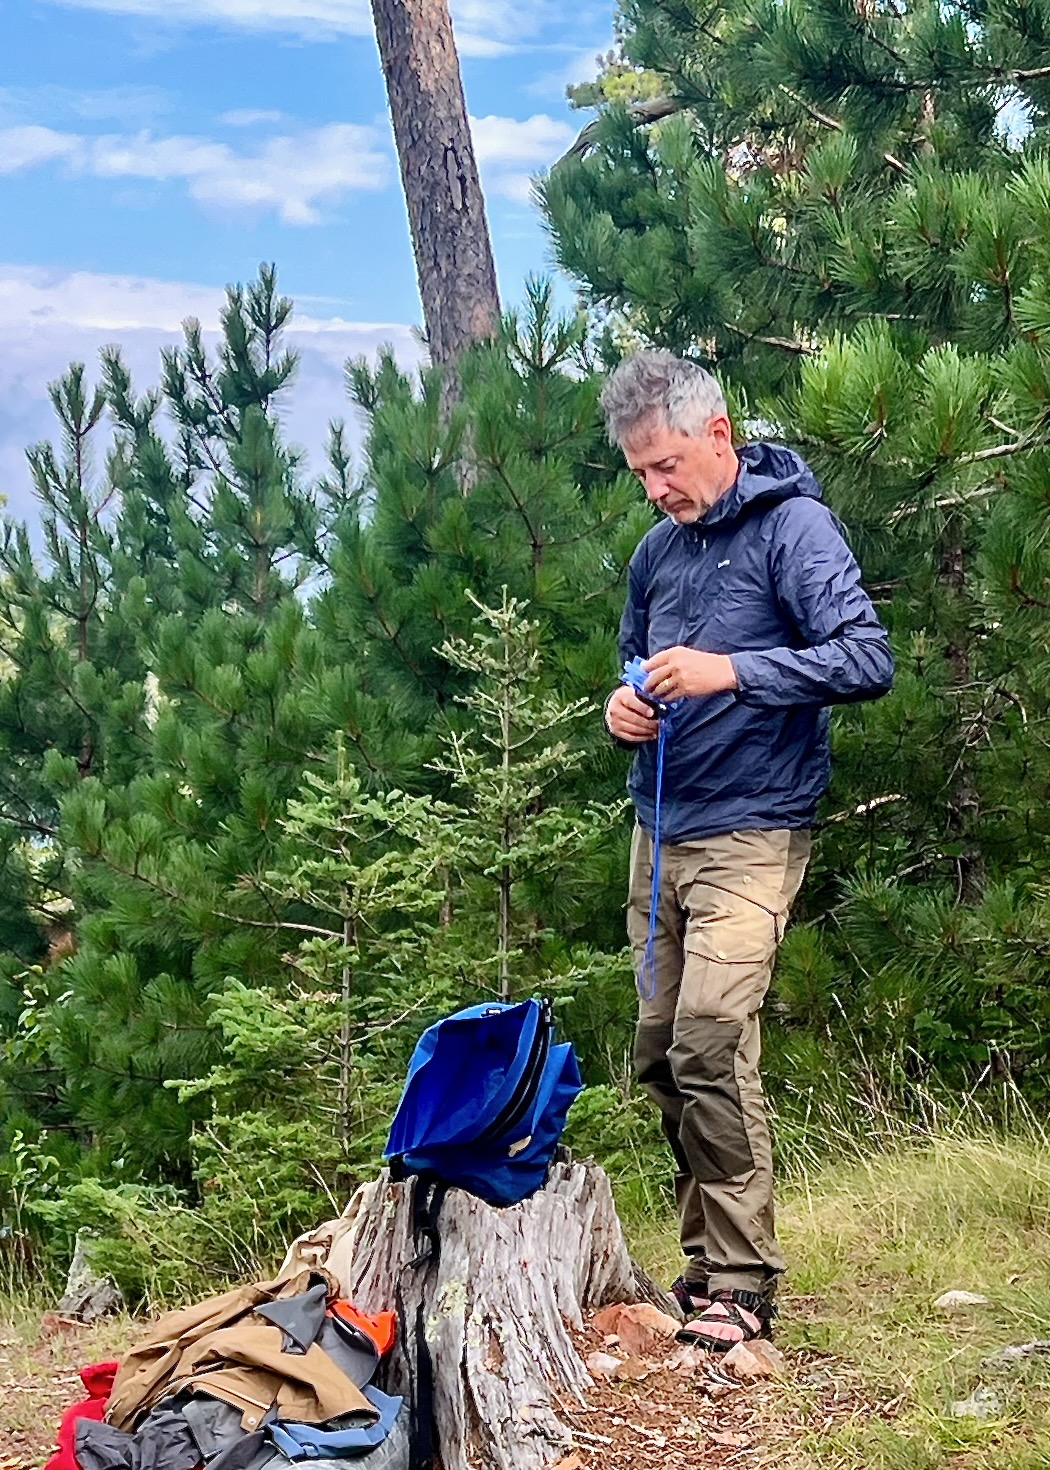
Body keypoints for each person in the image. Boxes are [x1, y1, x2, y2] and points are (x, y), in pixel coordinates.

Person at [601, 350, 893, 1351]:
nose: (656, 487)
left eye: (668, 465)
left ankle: (741, 1281)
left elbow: (865, 657)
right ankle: (703, 1260)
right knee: (659, 1056)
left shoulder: (794, 529)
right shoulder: (656, 553)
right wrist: (624, 709)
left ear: (718, 434)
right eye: (640, 472)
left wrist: (731, 671)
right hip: (660, 827)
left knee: (711, 1038)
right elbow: (635, 667)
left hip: (756, 826)